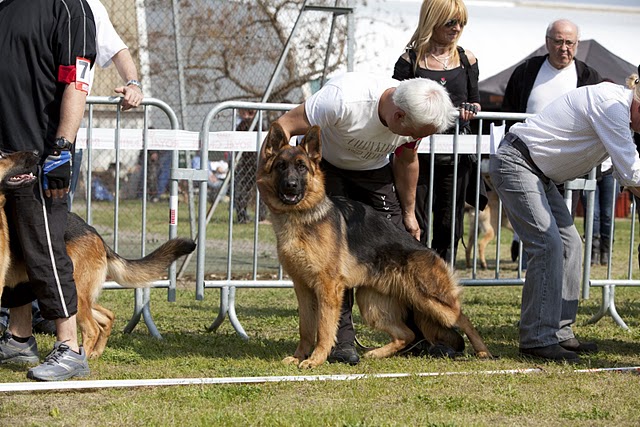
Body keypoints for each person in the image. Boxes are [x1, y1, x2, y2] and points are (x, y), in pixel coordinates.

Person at [274, 72, 457, 365]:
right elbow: (284, 126)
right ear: (398, 116)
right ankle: (339, 343)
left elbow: (407, 160)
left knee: (403, 253)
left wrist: (408, 214)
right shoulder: (343, 100)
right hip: (329, 170)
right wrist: (272, 182)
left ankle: (423, 337)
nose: (419, 138)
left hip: (374, 172)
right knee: (331, 265)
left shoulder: (414, 116)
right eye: (419, 132)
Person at [488, 74, 640, 362]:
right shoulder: (613, 106)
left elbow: (625, 174)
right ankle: (536, 340)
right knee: (547, 246)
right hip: (518, 162)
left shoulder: (620, 108)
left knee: (572, 245)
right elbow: (633, 174)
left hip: (538, 171)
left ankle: (559, 333)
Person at [0, 0, 96, 381]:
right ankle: (19, 338)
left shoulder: (68, 7)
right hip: (5, 158)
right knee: (20, 254)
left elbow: (78, 78)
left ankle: (70, 347)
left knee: (44, 249)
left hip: (40, 154)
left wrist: (63, 146)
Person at [502, 19, 603, 266]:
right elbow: (507, 114)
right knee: (533, 221)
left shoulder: (589, 76)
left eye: (569, 42)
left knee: (563, 225)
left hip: (569, 165)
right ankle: (529, 269)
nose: (563, 48)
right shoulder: (526, 71)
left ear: (577, 44)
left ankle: (560, 272)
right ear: (547, 42)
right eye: (558, 41)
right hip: (527, 162)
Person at [392, 0, 485, 265]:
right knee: (414, 222)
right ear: (432, 20)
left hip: (455, 156)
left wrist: (471, 109)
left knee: (449, 223)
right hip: (414, 154)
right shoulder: (409, 60)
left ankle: (442, 282)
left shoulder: (468, 59)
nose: (457, 28)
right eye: (451, 22)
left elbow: (476, 100)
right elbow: (394, 99)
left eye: (461, 23)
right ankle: (414, 280)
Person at [70, 0, 144, 204]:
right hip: (18, 121)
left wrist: (133, 84)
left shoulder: (90, 7)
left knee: (57, 210)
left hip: (68, 129)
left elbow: (118, 50)